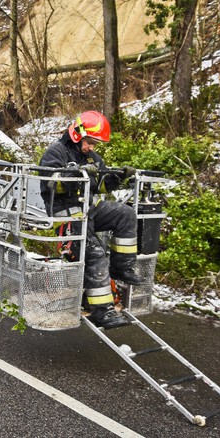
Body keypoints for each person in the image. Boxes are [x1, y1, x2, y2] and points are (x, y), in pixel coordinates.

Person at [39, 111, 141, 329]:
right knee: (94, 252)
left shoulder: (92, 158)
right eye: (90, 142)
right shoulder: (55, 153)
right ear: (77, 134)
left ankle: (121, 268)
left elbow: (99, 185)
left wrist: (116, 178)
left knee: (126, 214)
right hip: (66, 214)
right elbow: (49, 184)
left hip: (89, 209)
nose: (92, 147)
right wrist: (75, 175)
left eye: (95, 144)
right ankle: (102, 312)